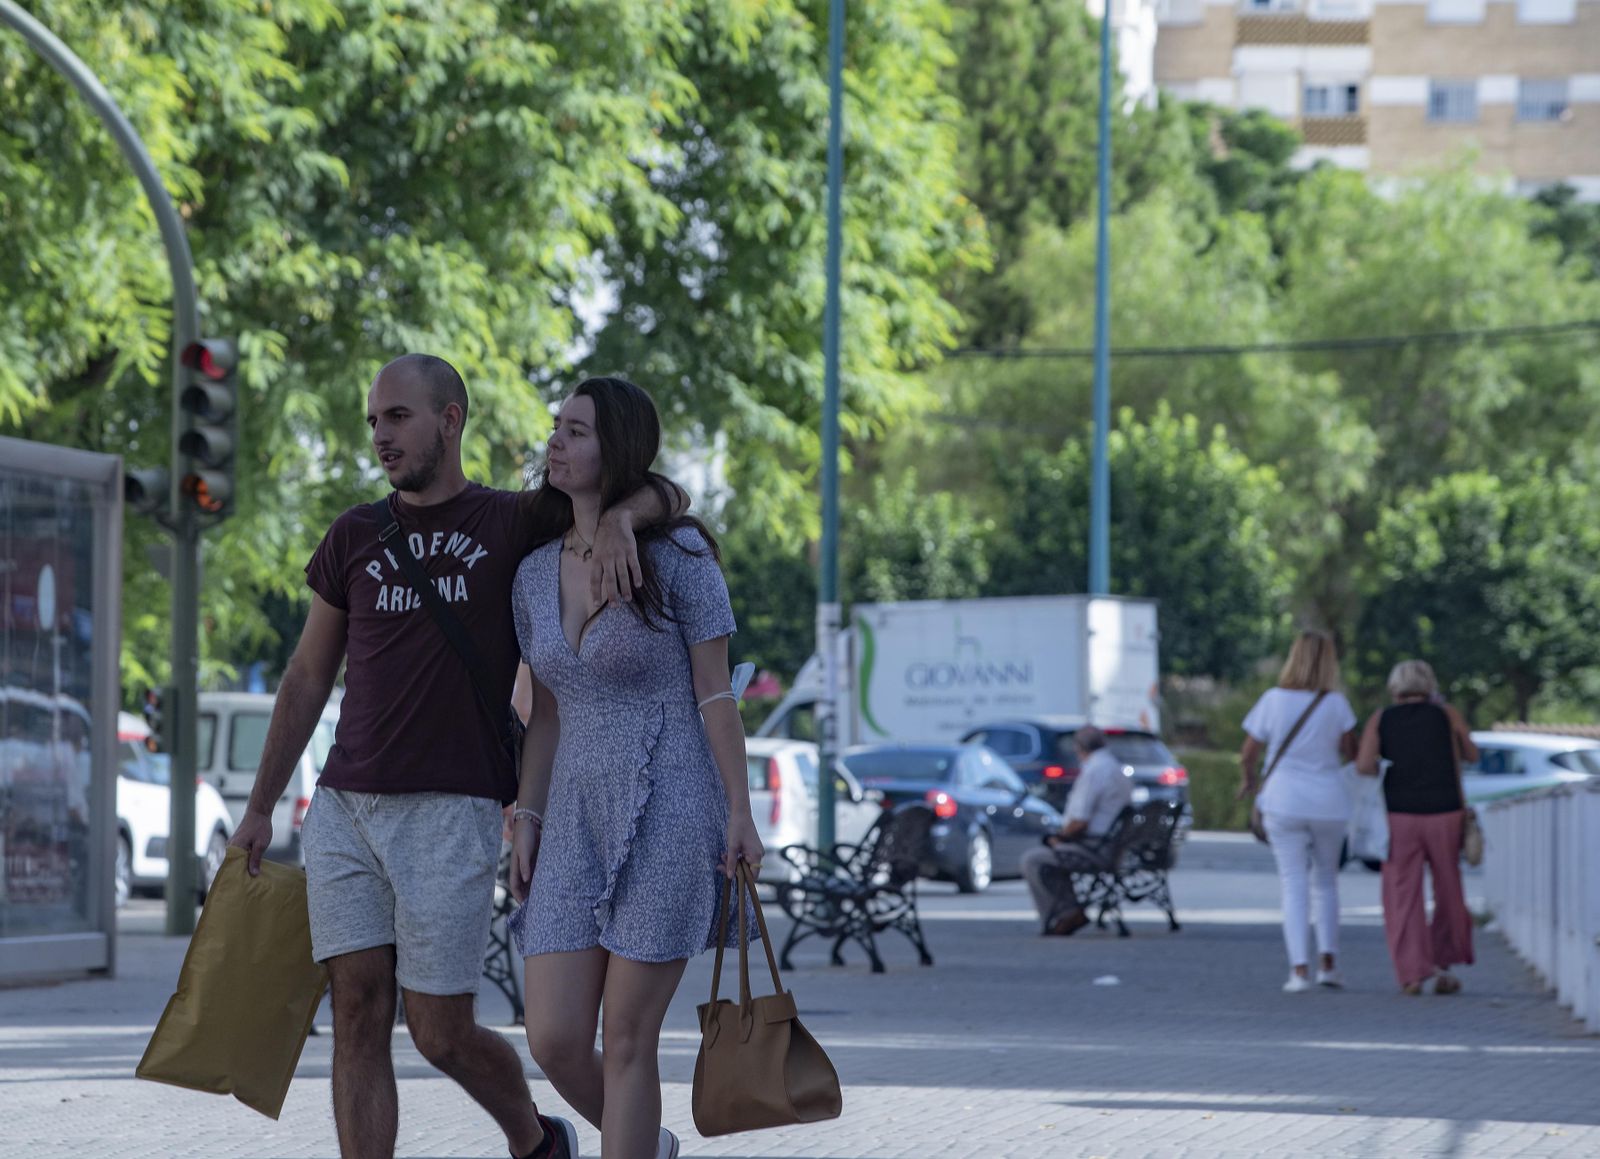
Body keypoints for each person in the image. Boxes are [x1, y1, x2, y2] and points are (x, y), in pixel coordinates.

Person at [229, 354, 682, 1159]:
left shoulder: (512, 521)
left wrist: (620, 520)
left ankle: (535, 1136)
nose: (380, 436)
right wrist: (261, 804)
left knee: (439, 1030)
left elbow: (658, 491)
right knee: (358, 1010)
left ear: (449, 419)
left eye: (397, 417)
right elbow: (305, 676)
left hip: (454, 808)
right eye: (373, 421)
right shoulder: (356, 535)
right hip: (345, 807)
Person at [507, 376, 763, 1159]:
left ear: (617, 446)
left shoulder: (680, 556)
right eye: (556, 427)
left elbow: (716, 693)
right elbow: (543, 711)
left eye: (577, 431)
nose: (557, 442)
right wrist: (528, 813)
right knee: (552, 1035)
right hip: (575, 811)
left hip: (671, 803)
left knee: (626, 1037)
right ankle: (647, 1144)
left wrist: (740, 810)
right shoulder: (531, 573)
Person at [1238, 630, 1359, 993]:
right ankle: (1329, 964)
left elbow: (1248, 752)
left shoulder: (1273, 700)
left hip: (1283, 800)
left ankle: (1299, 971)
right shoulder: (1337, 704)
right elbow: (1350, 752)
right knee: (1326, 882)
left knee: (1293, 884)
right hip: (1329, 802)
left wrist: (1248, 781)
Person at [1356, 659, 1477, 996]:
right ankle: (1443, 965)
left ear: (1395, 687)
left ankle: (1411, 973)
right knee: (1448, 889)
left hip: (1399, 816)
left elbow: (1364, 766)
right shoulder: (1447, 714)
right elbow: (1472, 754)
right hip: (1446, 813)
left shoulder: (1382, 718)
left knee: (1401, 893)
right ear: (1429, 686)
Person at [1019, 726, 1133, 937]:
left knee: (1033, 860)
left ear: (1080, 748)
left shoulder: (1095, 771)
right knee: (1052, 856)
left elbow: (1079, 821)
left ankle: (1063, 915)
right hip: (1112, 847)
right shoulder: (1115, 768)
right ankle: (1070, 910)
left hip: (1094, 847)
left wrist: (1059, 838)